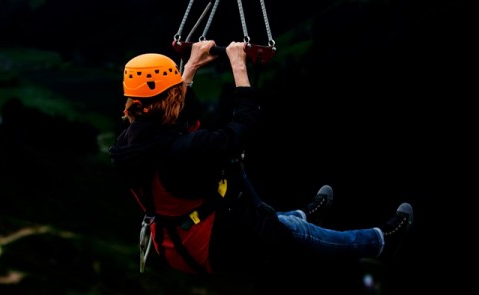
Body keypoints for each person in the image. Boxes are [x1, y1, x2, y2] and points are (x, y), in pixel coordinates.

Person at [108, 40, 414, 277]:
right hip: (213, 245)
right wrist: (238, 65)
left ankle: (302, 214)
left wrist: (191, 66)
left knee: (279, 220)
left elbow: (168, 114)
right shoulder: (186, 147)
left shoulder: (130, 141)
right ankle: (379, 243)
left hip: (173, 242)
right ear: (171, 95)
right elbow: (245, 124)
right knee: (293, 233)